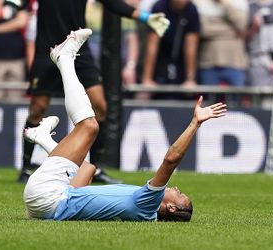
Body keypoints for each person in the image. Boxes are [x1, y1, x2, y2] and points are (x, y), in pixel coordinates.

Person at [23, 29, 227, 221]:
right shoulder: (143, 212)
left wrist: (195, 123)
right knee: (88, 168)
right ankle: (43, 138)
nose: (175, 188)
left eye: (179, 194)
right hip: (46, 206)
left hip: (48, 196)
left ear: (171, 208)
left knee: (89, 126)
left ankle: (64, 59)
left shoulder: (148, 203)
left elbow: (171, 159)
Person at [20, 0, 170, 184]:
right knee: (38, 108)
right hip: (47, 50)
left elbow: (112, 3)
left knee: (100, 107)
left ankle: (95, 169)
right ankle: (26, 168)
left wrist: (145, 17)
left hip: (78, 49)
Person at [140, 0, 200, 100]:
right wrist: (147, 79)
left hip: (181, 65)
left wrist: (190, 79)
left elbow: (191, 46)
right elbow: (152, 45)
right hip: (160, 63)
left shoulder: (191, 9)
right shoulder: (159, 7)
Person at [194, 0, 249, 87]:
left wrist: (223, 3)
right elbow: (203, 30)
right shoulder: (199, 2)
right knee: (210, 100)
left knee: (236, 100)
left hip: (235, 63)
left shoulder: (240, 2)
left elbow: (242, 25)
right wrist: (232, 31)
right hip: (208, 63)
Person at [246, 0, 273, 87]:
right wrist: (254, 26)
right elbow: (243, 38)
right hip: (257, 59)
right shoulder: (249, 7)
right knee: (259, 95)